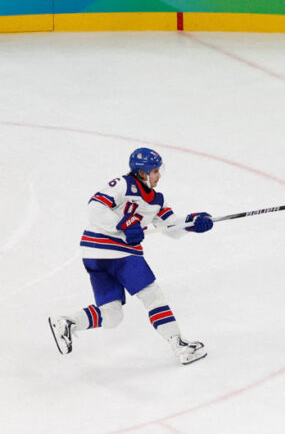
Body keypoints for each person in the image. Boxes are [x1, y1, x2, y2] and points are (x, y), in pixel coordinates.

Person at [47, 148, 214, 365]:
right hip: (116, 252)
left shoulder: (156, 200)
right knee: (152, 296)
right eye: (154, 171)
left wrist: (193, 222)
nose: (159, 175)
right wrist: (122, 224)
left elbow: (170, 226)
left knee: (112, 315)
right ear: (142, 173)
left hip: (95, 254)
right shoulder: (123, 184)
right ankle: (179, 345)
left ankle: (67, 322)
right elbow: (95, 207)